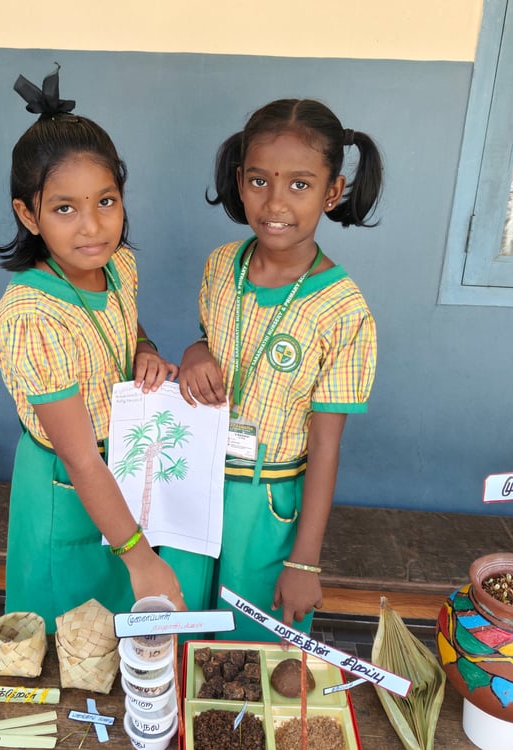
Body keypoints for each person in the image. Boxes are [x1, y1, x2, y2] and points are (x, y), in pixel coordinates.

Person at [171, 98, 381, 641]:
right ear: (240, 181)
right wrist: (195, 352)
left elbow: (327, 446)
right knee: (179, 624)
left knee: (250, 645)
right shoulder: (222, 265)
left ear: (332, 192)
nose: (275, 202)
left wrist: (305, 562)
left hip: (267, 502)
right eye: (259, 181)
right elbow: (212, 338)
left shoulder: (343, 311)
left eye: (300, 184)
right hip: (193, 482)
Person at [0, 65, 185, 626]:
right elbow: (78, 456)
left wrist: (144, 348)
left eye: (106, 201)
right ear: (28, 214)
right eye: (64, 208)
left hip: (121, 471)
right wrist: (140, 557)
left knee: (122, 634)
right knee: (67, 636)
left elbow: (126, 326)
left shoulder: (118, 265)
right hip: (66, 486)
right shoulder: (32, 316)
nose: (93, 227)